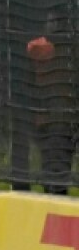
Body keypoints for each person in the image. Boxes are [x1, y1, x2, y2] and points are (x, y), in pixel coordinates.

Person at [26, 10, 77, 194]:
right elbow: (36, 51)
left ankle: (57, 191)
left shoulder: (69, 50)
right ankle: (53, 191)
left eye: (56, 22)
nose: (52, 26)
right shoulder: (41, 47)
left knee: (60, 162)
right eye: (50, 22)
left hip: (64, 117)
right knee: (51, 162)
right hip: (48, 117)